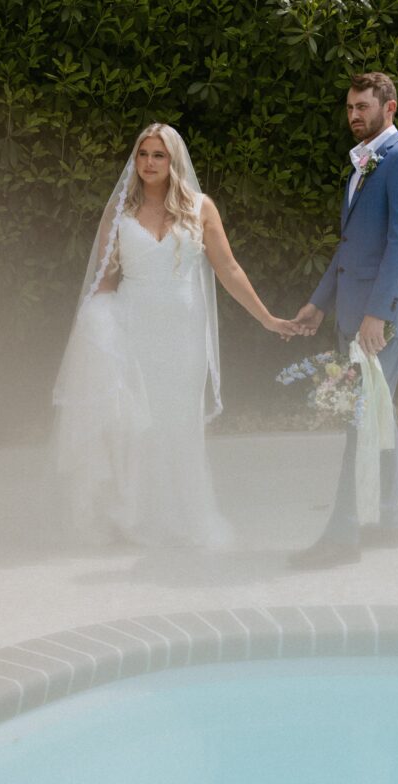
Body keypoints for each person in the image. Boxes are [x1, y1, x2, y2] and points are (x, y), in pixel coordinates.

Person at [53, 123, 297, 547]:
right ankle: (131, 518)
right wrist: (93, 332)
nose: (149, 163)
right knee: (136, 426)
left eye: (158, 155)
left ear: (173, 161)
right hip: (133, 331)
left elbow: (229, 269)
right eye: (142, 154)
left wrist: (267, 318)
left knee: (177, 424)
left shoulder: (200, 207)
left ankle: (181, 516)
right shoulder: (119, 212)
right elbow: (106, 278)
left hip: (183, 337)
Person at [291, 72, 398, 568]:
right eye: (350, 107)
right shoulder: (363, 164)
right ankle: (386, 522)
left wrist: (377, 315)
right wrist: (320, 301)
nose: (354, 115)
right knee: (378, 417)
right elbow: (351, 246)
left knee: (360, 421)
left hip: (382, 319)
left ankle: (342, 536)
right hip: (357, 311)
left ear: (389, 109)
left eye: (364, 107)